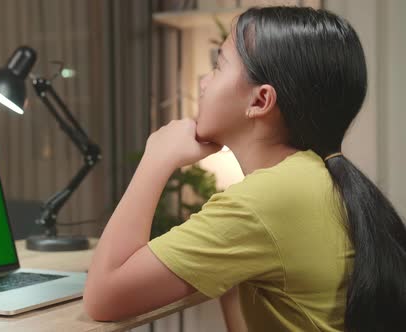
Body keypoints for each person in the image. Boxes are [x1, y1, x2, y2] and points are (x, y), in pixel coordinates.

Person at [83, 6, 406, 331]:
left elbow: (104, 297)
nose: (204, 83)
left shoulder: (269, 198)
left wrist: (156, 157)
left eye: (217, 66)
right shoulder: (311, 177)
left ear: (260, 101)